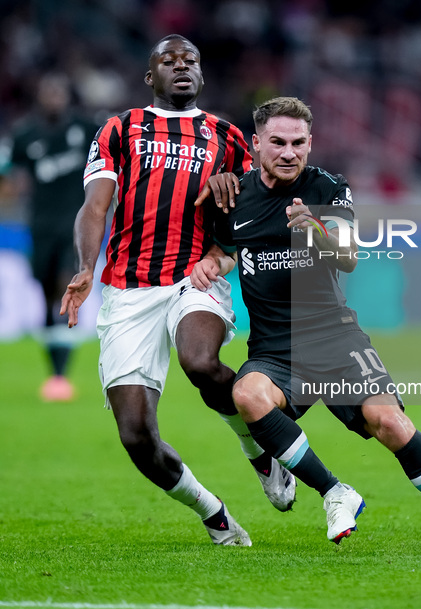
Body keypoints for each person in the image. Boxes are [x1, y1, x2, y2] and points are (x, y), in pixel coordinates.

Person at [195, 96, 421, 549]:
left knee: (389, 423)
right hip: (274, 348)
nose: (289, 152)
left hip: (335, 336)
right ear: (256, 144)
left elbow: (347, 257)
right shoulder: (235, 198)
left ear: (310, 144)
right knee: (247, 394)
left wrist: (313, 228)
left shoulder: (328, 188)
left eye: (299, 143)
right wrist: (211, 264)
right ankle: (334, 491)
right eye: (278, 142)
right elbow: (225, 251)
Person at [60, 35, 295, 546]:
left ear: (202, 75)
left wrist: (222, 250)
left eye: (190, 60)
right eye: (168, 61)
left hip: (195, 276)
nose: (181, 66)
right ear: (152, 77)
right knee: (137, 437)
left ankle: (260, 453)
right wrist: (84, 267)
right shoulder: (120, 130)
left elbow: (262, 215)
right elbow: (95, 206)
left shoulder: (229, 138)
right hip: (128, 290)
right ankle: (213, 513)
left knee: (200, 361)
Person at [4, 73, 98, 401]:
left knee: (65, 285)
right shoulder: (25, 134)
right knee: (45, 294)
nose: (54, 99)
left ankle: (61, 375)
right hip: (40, 226)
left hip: (75, 225)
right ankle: (54, 370)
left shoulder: (85, 130)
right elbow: (13, 177)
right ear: (40, 98)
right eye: (49, 93)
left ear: (67, 97)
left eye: (59, 93)